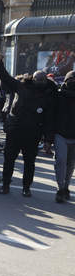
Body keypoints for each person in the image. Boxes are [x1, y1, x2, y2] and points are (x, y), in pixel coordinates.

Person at [0, 54, 57, 196]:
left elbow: (49, 118)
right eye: (37, 79)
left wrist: (48, 139)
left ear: (46, 80)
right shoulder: (21, 86)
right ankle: (5, 184)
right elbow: (5, 77)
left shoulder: (49, 94)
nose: (40, 82)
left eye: (42, 80)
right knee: (9, 159)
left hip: (33, 133)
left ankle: (26, 187)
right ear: (33, 79)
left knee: (29, 162)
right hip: (15, 130)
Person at [48, 71, 75, 203]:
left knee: (70, 164)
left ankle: (65, 187)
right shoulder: (58, 96)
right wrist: (48, 137)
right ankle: (60, 188)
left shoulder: (58, 95)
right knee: (61, 161)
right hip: (60, 134)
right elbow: (51, 116)